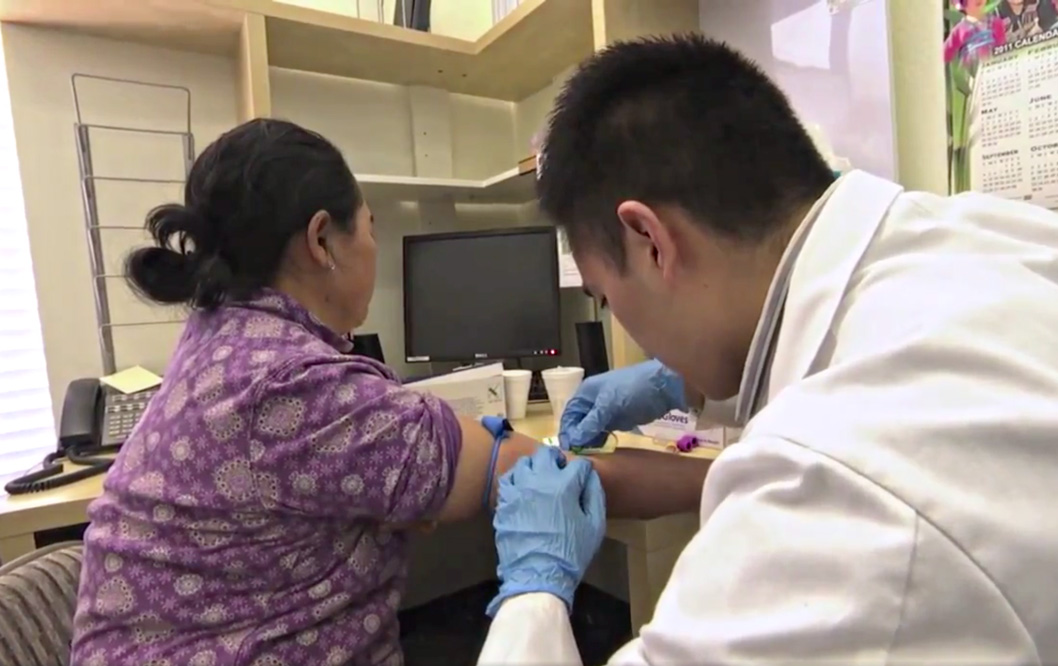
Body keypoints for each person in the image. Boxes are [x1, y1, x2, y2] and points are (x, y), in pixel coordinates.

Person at [476, 34, 1058, 664]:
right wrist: (684, 386)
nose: (617, 316)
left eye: (605, 294)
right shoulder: (1013, 236)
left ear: (650, 240)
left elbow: (851, 482)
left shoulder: (841, 493)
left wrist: (533, 596)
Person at [69, 118, 710, 666]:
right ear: (322, 239)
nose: (375, 248)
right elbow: (554, 474)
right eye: (370, 227)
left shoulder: (216, 337)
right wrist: (726, 480)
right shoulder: (299, 387)